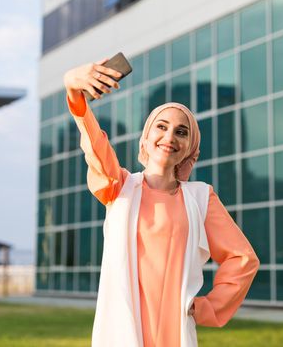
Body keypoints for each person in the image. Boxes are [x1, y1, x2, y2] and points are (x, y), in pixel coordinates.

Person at [64, 57, 260, 347]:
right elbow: (94, 145)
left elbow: (242, 259)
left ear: (189, 149)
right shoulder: (119, 187)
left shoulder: (201, 197)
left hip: (174, 331)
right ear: (144, 140)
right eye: (162, 127)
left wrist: (208, 307)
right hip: (123, 329)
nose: (170, 136)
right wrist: (73, 89)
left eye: (181, 132)